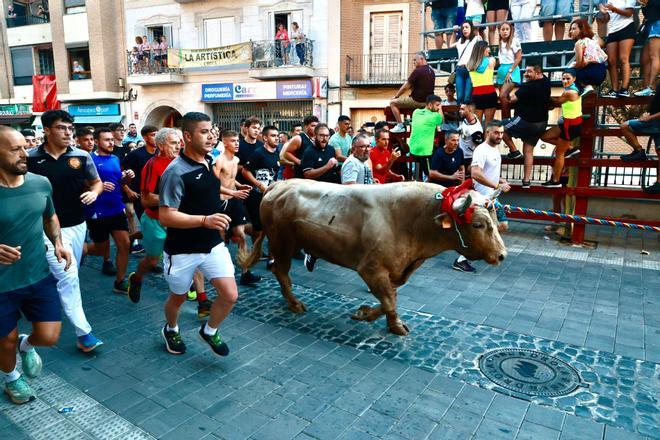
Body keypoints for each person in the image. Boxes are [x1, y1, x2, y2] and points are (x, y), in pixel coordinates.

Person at [0, 126, 70, 405]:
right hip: (2, 286)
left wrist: (58, 242)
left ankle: (26, 345)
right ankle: (11, 378)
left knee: (49, 336)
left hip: (37, 274)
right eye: (15, 149)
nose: (24, 154)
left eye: (24, 148)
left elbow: (49, 217)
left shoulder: (40, 182)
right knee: (4, 341)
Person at [158, 112, 238, 356]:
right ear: (187, 136)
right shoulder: (174, 172)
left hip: (212, 244)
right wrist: (205, 220)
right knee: (178, 299)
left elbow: (205, 190)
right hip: (182, 250)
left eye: (211, 131)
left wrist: (231, 192)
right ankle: (171, 328)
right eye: (203, 132)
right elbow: (166, 216)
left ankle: (210, 331)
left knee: (230, 295)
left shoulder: (206, 160)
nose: (211, 136)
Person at [26, 110, 104, 353]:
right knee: (69, 277)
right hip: (45, 229)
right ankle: (84, 333)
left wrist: (94, 192)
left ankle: (37, 294)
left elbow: (96, 182)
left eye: (70, 128)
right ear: (47, 130)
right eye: (62, 128)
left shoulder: (81, 156)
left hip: (78, 225)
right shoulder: (30, 158)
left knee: (66, 273)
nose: (68, 133)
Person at [84, 128, 133, 294]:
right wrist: (98, 187)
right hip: (97, 210)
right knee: (99, 249)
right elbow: (80, 183)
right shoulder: (89, 159)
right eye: (107, 140)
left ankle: (120, 281)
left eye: (112, 139)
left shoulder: (114, 158)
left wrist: (127, 177)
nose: (111, 142)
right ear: (97, 141)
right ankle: (80, 249)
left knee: (124, 244)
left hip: (116, 208)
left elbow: (119, 181)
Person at [213, 130, 261, 286]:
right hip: (221, 203)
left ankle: (245, 272)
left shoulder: (236, 159)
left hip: (234, 201)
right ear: (224, 142)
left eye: (237, 141)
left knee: (241, 236)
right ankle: (222, 273)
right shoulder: (218, 161)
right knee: (221, 241)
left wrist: (241, 185)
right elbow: (213, 185)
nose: (237, 143)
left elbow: (230, 180)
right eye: (233, 141)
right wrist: (234, 192)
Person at [428, 131, 473, 272]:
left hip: (454, 189)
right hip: (438, 189)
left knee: (452, 214)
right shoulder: (439, 154)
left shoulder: (459, 151)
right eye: (453, 140)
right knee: (444, 215)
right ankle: (438, 239)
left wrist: (463, 184)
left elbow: (462, 167)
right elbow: (432, 173)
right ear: (446, 141)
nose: (456, 143)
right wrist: (451, 177)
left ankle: (446, 238)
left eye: (457, 140)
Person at [502, 64, 552, 187]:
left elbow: (512, 99)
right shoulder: (546, 82)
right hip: (541, 123)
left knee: (498, 128)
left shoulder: (529, 85)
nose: (526, 74)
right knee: (529, 150)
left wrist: (509, 90)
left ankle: (514, 151)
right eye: (525, 71)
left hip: (527, 121)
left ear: (538, 72)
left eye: (529, 72)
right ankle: (526, 181)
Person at [242, 126, 281, 268]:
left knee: (272, 227)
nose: (276, 138)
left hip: (271, 196)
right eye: (273, 136)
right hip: (256, 196)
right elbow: (246, 171)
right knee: (259, 230)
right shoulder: (258, 153)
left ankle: (271, 258)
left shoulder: (277, 152)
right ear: (265, 138)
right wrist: (259, 185)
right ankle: (238, 229)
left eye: (277, 135)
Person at [540, 69, 583, 187]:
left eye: (568, 78)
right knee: (544, 136)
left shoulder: (569, 92)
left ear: (574, 79)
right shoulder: (571, 88)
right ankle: (569, 148)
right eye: (563, 78)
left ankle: (555, 181)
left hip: (571, 126)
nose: (565, 81)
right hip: (566, 123)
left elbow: (557, 102)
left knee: (559, 154)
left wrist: (543, 97)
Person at [470, 120, 511, 232]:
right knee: (501, 225)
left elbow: (487, 172)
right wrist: (497, 185)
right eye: (496, 133)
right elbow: (475, 173)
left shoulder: (495, 149)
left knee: (499, 226)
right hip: (481, 198)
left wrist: (500, 180)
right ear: (487, 132)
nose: (500, 136)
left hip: (492, 197)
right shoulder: (481, 150)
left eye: (502, 133)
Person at [122, 125, 159, 245]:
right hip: (140, 195)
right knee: (150, 228)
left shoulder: (161, 152)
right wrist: (128, 189)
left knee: (156, 227)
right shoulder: (136, 154)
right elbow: (121, 171)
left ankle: (131, 237)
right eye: (153, 135)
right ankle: (152, 258)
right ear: (145, 137)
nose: (157, 137)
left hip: (157, 195)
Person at [390, 52, 436, 133]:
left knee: (393, 103)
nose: (413, 62)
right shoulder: (431, 71)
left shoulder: (418, 71)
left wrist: (396, 96)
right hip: (428, 102)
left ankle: (400, 126)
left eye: (415, 60)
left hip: (418, 101)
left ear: (422, 59)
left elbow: (406, 86)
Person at [602, 0, 636, 97]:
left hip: (627, 27)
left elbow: (629, 13)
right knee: (611, 60)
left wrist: (614, 9)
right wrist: (603, 13)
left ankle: (624, 89)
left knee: (623, 58)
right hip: (613, 29)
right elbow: (608, 18)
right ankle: (614, 89)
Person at [620, 87, 659, 170]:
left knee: (625, 126)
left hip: (655, 121)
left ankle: (639, 151)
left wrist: (649, 118)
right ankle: (639, 152)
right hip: (654, 120)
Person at [409, 94, 444, 181]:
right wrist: (441, 109)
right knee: (431, 174)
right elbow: (442, 120)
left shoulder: (416, 112)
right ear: (429, 105)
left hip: (412, 150)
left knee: (437, 151)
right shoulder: (434, 116)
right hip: (424, 153)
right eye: (437, 105)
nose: (437, 108)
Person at [569, 18, 608, 95]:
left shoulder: (578, 43)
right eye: (570, 29)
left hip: (591, 73)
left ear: (581, 29)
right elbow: (602, 43)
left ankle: (582, 89)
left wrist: (572, 66)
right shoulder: (593, 41)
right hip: (602, 73)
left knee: (568, 72)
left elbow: (580, 63)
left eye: (574, 29)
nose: (571, 31)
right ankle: (587, 87)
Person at [450, 21, 482, 105]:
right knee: (460, 97)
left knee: (467, 97)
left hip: (470, 70)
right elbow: (450, 45)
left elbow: (482, 44)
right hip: (460, 70)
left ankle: (468, 117)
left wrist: (477, 30)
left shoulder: (476, 39)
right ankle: (460, 117)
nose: (464, 29)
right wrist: (454, 32)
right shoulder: (460, 40)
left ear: (471, 28)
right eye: (463, 28)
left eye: (467, 27)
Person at [467, 41, 498, 127]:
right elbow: (489, 60)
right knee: (489, 125)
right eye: (487, 47)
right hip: (489, 94)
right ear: (483, 49)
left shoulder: (469, 63)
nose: (489, 49)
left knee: (478, 125)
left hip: (476, 95)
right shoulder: (491, 60)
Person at [496, 22, 522, 119]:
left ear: (510, 31)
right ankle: (506, 123)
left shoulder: (514, 41)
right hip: (501, 70)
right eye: (503, 29)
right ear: (499, 31)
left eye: (507, 29)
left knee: (503, 95)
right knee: (503, 98)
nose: (505, 31)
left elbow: (519, 58)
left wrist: (510, 71)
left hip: (511, 70)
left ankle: (506, 122)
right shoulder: (500, 42)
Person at [635, 0, 659, 97]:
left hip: (657, 24)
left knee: (654, 56)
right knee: (645, 59)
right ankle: (647, 87)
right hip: (650, 25)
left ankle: (651, 87)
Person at [457, 102, 484, 167]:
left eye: (462, 109)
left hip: (468, 158)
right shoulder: (468, 119)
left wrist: (473, 163)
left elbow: (479, 148)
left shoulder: (476, 130)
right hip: (461, 154)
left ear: (470, 110)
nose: (460, 111)